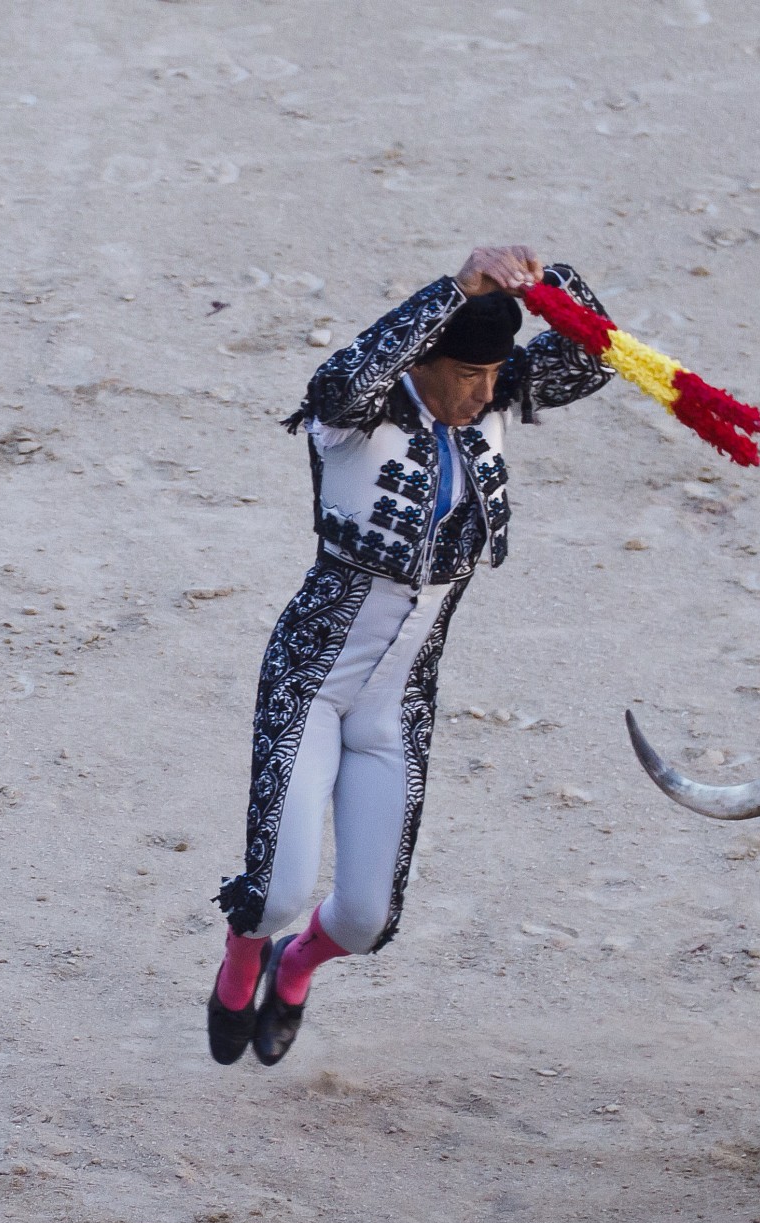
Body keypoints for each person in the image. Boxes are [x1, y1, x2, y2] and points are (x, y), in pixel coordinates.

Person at [209, 245, 614, 1064]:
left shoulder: (496, 396)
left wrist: (549, 285)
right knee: (279, 889)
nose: (485, 391)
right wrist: (455, 287)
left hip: (399, 701)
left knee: (363, 919)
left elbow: (594, 355)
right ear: (423, 358)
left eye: (493, 373)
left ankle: (294, 966)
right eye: (466, 373)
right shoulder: (352, 415)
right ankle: (244, 953)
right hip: (310, 684)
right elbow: (341, 375)